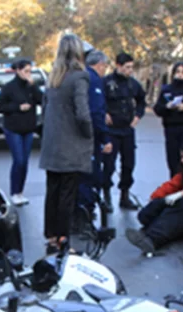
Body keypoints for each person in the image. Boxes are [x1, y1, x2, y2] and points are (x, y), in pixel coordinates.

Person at [39, 34, 93, 254]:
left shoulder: (53, 78)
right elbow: (83, 113)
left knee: (52, 191)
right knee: (67, 194)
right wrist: (88, 134)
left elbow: (45, 110)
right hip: (70, 144)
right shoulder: (79, 77)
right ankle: (63, 239)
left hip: (52, 143)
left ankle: (52, 237)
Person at [0, 59, 44, 206]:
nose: (28, 74)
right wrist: (17, 107)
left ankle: (20, 191)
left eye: (30, 71)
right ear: (18, 71)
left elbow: (42, 100)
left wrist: (34, 86)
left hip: (28, 128)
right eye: (25, 71)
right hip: (13, 128)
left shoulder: (31, 87)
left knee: (25, 162)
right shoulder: (9, 87)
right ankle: (14, 192)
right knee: (19, 160)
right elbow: (0, 106)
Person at [103, 52, 146, 211]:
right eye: (127, 67)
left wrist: (138, 116)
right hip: (111, 130)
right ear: (118, 66)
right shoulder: (106, 82)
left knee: (129, 164)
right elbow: (97, 101)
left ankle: (125, 196)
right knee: (108, 165)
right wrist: (104, 113)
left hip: (127, 130)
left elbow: (141, 101)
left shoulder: (133, 84)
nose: (130, 70)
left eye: (131, 67)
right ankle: (106, 195)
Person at [76, 49, 112, 215]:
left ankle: (81, 208)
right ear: (100, 65)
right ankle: (86, 210)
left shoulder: (81, 76)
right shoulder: (94, 80)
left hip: (78, 135)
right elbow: (96, 112)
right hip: (91, 137)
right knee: (91, 174)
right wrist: (105, 138)